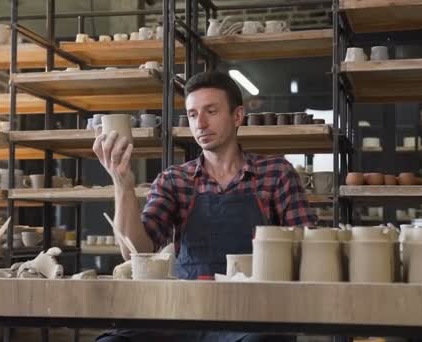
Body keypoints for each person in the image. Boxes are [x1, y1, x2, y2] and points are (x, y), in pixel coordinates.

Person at [92, 71, 317, 342]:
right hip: (186, 312)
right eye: (192, 114)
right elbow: (137, 251)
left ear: (237, 116)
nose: (200, 123)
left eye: (211, 111)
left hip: (253, 313)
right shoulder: (175, 180)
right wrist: (122, 183)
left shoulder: (276, 173)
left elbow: (310, 250)